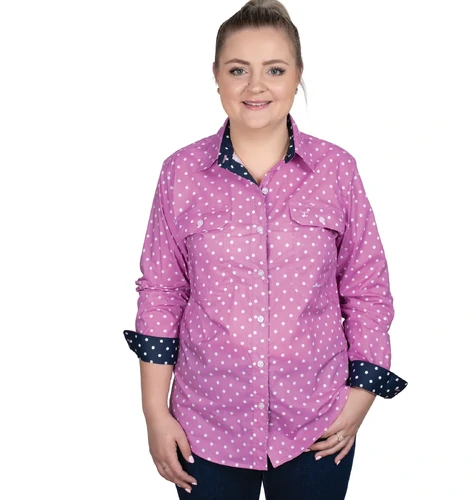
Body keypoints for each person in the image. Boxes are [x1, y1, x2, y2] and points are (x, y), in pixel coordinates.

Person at [122, 0, 408, 498]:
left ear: (298, 75)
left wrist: (360, 397)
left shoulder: (336, 170)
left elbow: (366, 288)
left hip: (318, 423)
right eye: (238, 70)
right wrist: (154, 413)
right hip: (204, 425)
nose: (256, 86)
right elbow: (161, 293)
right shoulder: (181, 172)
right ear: (216, 76)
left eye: (274, 69)